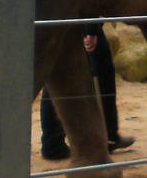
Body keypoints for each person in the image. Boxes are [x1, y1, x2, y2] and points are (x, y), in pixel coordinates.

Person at [40, 24, 135, 160]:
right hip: (79, 23)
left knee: (57, 73)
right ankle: (108, 137)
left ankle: (52, 143)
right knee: (101, 70)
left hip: (58, 24)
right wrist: (90, 30)